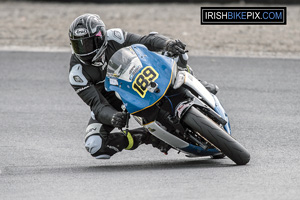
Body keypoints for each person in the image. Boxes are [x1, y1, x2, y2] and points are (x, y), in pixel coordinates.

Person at [68, 13, 218, 159]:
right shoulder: (77, 74)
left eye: (88, 43)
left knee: (172, 53)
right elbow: (98, 105)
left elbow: (146, 40)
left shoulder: (114, 36)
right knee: (94, 144)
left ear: (101, 37)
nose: (84, 50)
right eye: (78, 44)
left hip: (137, 77)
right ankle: (148, 137)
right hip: (112, 102)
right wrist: (112, 117)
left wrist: (167, 43)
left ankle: (195, 83)